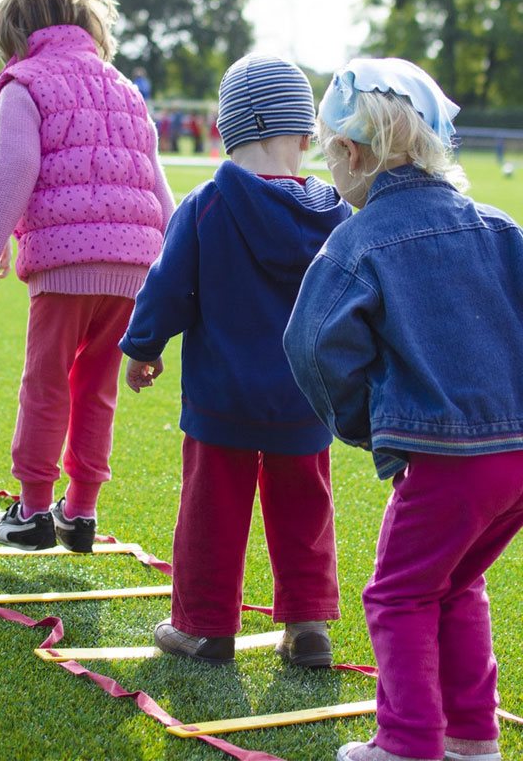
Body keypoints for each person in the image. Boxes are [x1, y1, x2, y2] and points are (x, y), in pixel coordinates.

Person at [283, 58, 523, 761]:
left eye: (333, 155)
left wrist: (364, 424)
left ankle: (409, 745)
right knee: (455, 584)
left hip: (446, 461)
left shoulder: (357, 241)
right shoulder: (501, 228)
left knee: (399, 596)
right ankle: (472, 739)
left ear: (351, 154)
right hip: (517, 458)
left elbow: (311, 344)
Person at [120, 54, 351, 666]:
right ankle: (308, 626)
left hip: (220, 399)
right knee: (305, 510)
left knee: (210, 512)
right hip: (306, 399)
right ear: (305, 134)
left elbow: (167, 287)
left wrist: (143, 347)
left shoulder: (205, 205)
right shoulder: (337, 213)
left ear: (223, 131)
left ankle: (205, 625)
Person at [0, 0, 174, 553]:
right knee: (96, 386)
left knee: (45, 382)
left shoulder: (23, 84)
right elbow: (158, 185)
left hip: (65, 263)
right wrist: (176, 275)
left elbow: (13, 169)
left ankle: (30, 511)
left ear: (13, 34)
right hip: (135, 266)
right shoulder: (125, 88)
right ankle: (79, 511)